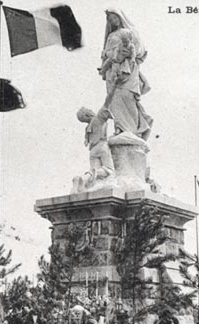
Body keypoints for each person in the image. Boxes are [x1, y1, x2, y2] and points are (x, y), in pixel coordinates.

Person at [99, 9, 152, 141]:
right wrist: (107, 55)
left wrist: (129, 54)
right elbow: (105, 53)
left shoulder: (130, 32)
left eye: (114, 17)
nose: (113, 21)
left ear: (120, 17)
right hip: (113, 71)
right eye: (110, 19)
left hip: (128, 69)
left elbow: (139, 50)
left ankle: (133, 130)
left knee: (127, 97)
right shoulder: (110, 36)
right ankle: (121, 128)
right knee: (114, 99)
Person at [76, 106, 115, 189]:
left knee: (97, 176)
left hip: (92, 150)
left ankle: (85, 178)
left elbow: (86, 141)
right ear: (87, 114)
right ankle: (95, 172)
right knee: (109, 170)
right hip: (102, 146)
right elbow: (107, 109)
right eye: (89, 110)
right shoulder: (98, 118)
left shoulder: (87, 128)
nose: (92, 110)